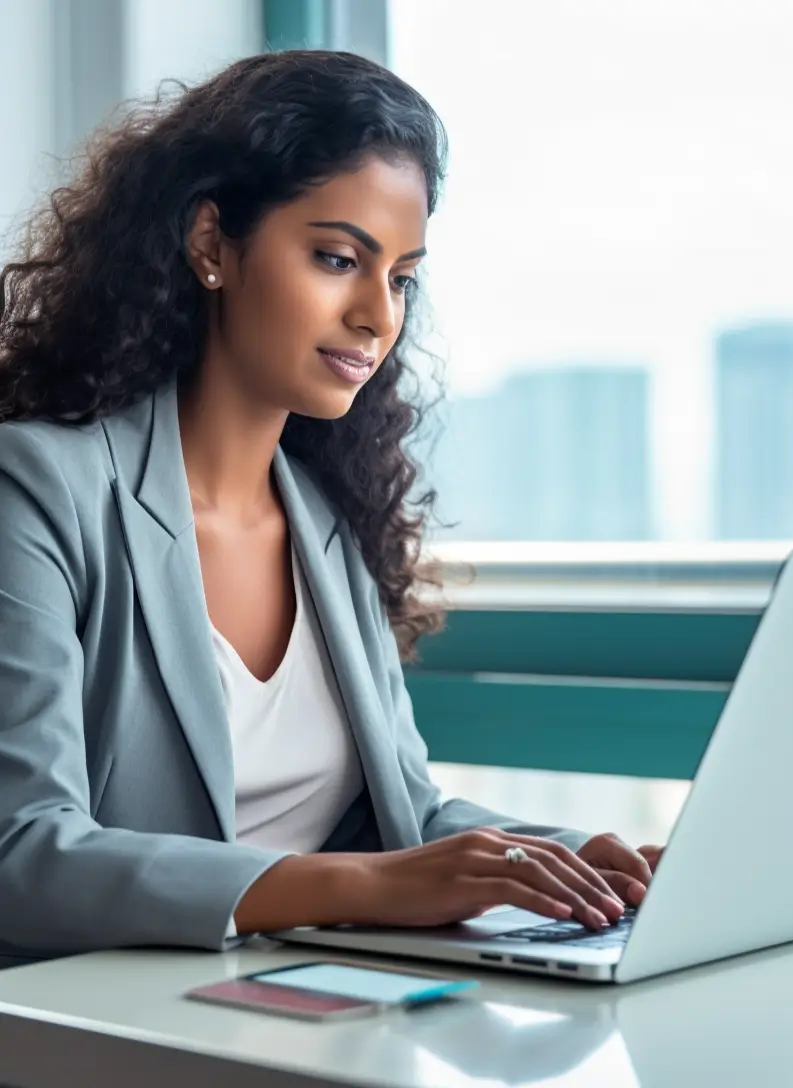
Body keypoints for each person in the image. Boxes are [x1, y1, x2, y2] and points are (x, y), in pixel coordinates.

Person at [0, 50, 661, 970]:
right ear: (211, 244)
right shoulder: (39, 488)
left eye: (399, 278)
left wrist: (570, 859)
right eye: (338, 258)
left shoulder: (324, 521)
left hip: (309, 1004)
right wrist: (366, 887)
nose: (376, 317)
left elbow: (407, 815)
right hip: (112, 1026)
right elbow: (20, 853)